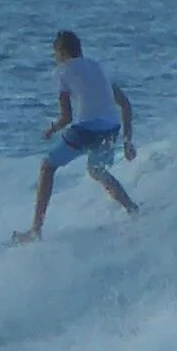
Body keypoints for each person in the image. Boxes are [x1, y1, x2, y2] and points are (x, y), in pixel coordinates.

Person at [13, 30, 138, 243]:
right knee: (97, 171)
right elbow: (125, 104)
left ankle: (36, 230)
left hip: (86, 129)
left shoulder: (62, 71)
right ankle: (133, 210)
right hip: (111, 129)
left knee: (47, 167)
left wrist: (51, 129)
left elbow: (66, 117)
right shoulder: (99, 67)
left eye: (55, 54)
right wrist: (127, 141)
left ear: (61, 52)